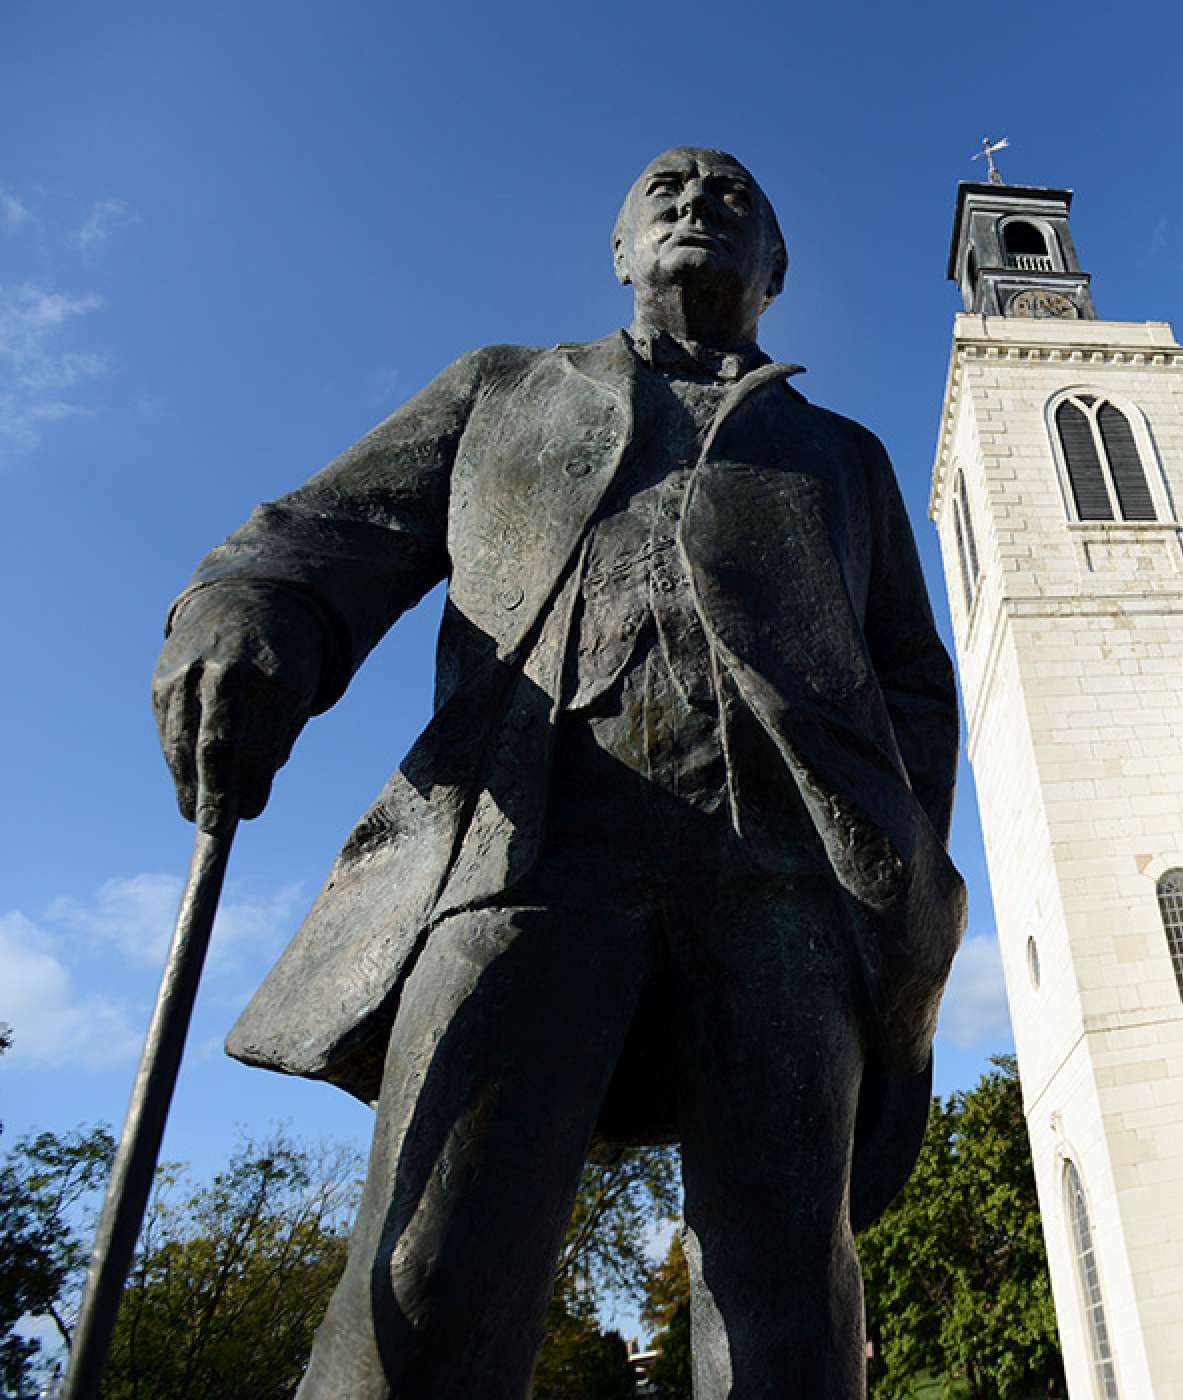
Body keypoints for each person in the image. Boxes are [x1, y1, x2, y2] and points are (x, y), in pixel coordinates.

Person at [151, 146, 964, 1398]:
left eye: (734, 196)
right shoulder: (503, 390)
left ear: (778, 270)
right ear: (621, 252)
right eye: (668, 191)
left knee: (790, 1294)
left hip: (785, 892)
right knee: (428, 1269)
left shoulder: (841, 455)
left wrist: (900, 854)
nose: (698, 204)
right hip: (522, 849)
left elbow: (913, 677)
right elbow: (323, 536)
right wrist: (249, 608)